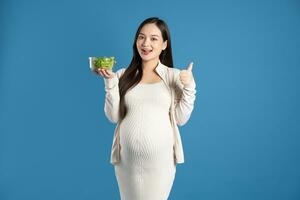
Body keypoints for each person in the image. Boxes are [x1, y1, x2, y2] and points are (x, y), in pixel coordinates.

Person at [94, 17, 196, 200]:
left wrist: (189, 87)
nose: (146, 43)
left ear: (164, 44)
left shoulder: (174, 76)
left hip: (160, 165)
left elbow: (181, 119)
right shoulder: (122, 75)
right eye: (141, 37)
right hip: (126, 164)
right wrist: (110, 83)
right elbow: (113, 116)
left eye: (153, 38)